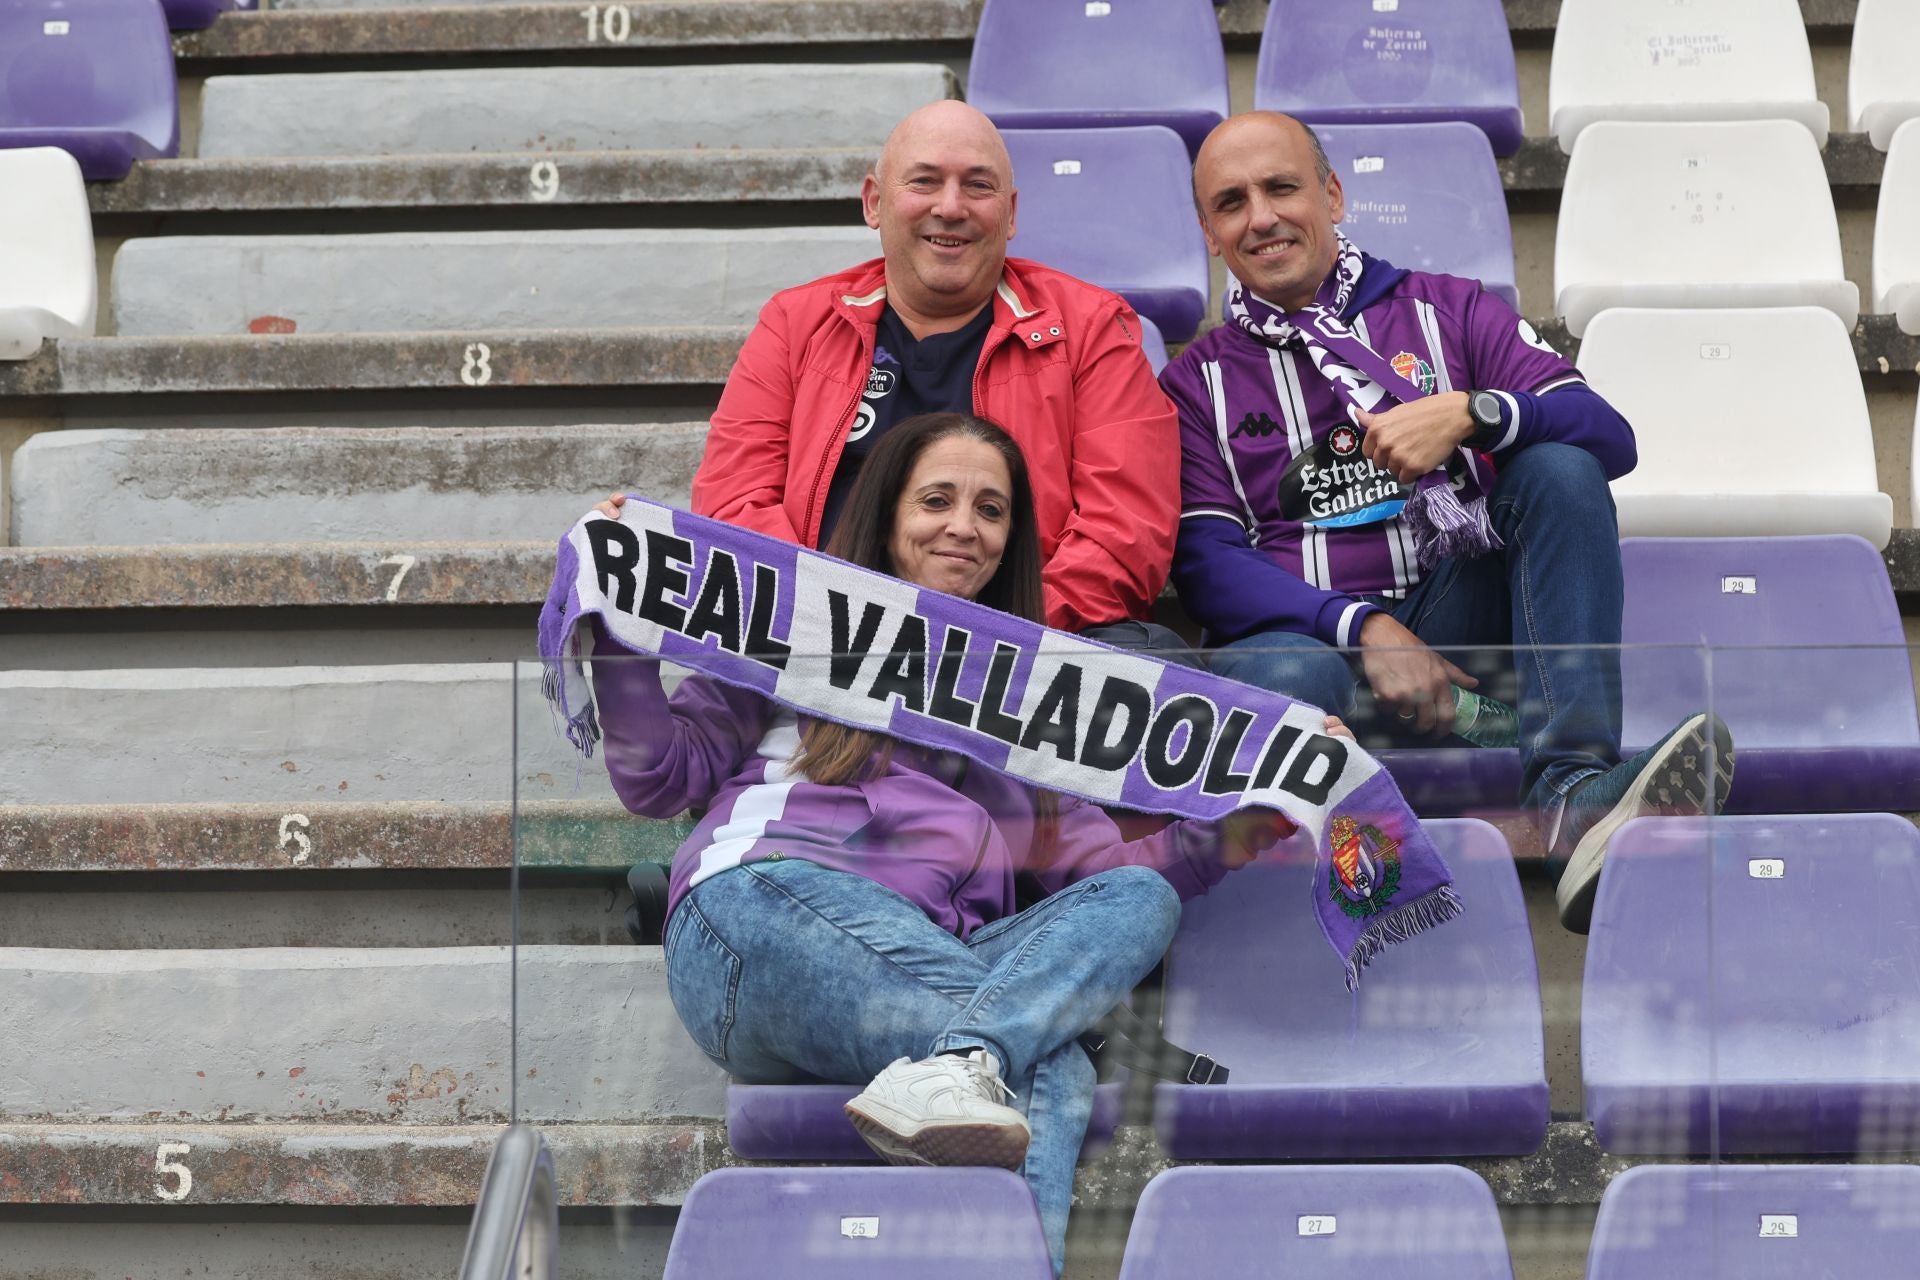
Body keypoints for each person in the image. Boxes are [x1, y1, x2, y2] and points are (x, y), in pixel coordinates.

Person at [588, 413, 1337, 1276]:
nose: (963, 527)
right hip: (755, 916)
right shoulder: (800, 632)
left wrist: (1261, 812)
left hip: (911, 966)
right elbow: (657, 778)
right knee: (1040, 1056)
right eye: (936, 500)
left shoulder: (1035, 705)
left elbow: (1120, 879)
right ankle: (972, 1057)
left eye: (991, 510)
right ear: (886, 516)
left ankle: (963, 1066)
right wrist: (621, 630)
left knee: (1085, 1006)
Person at [1161, 112, 1734, 932]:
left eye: (1282, 188)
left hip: (1463, 634)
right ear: (1210, 232)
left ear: (1332, 194)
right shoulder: (1194, 382)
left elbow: (1611, 435)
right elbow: (1205, 561)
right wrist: (1363, 629)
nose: (1260, 217)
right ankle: (1314, 887)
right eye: (1230, 202)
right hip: (1317, 661)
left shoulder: (1448, 311)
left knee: (1559, 467)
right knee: (1283, 677)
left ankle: (1571, 796)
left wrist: (1476, 413)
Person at [598, 100, 1190, 659]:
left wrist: (994, 638)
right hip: (827, 653)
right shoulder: (795, 325)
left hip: (1019, 657)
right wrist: (833, 633)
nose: (951, 207)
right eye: (925, 181)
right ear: (873, 202)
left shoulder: (1091, 329)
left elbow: (1125, 533)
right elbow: (736, 503)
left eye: (978, 186)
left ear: (1011, 214)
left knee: (1151, 651)